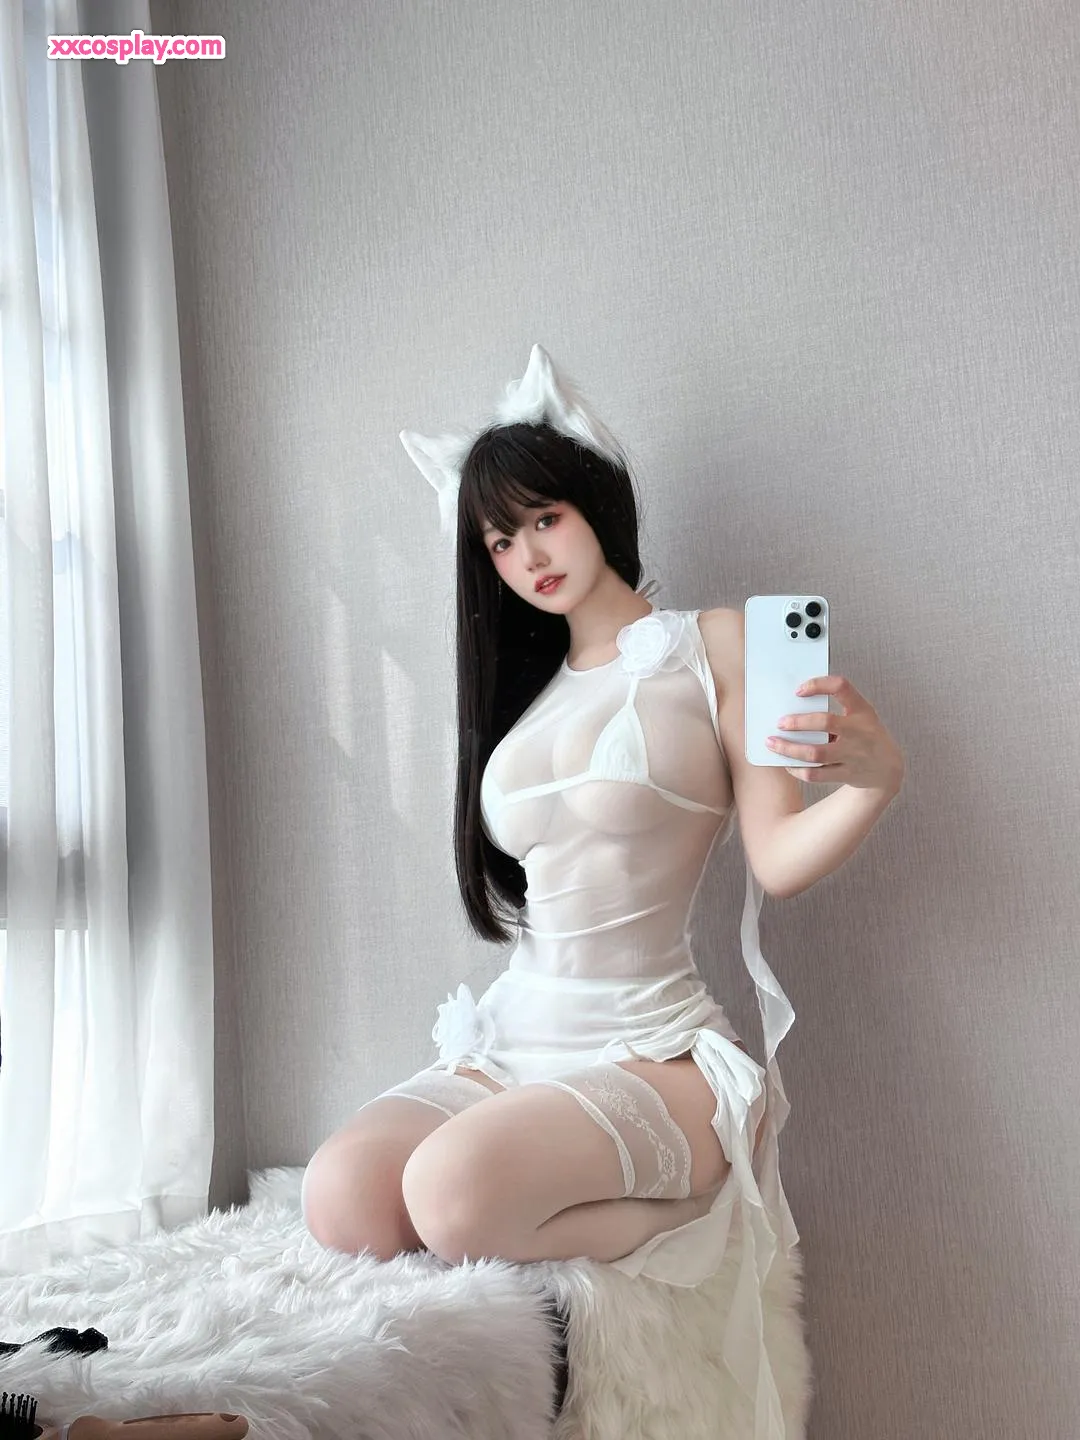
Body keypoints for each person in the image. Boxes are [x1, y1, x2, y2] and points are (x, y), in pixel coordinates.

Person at [301, 345, 905, 1438]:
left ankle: (699, 1211)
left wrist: (875, 779)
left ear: (597, 507)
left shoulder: (718, 643)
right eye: (499, 540)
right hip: (512, 1040)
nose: (527, 554)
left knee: (451, 1197)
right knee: (340, 1196)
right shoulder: (527, 695)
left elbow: (775, 858)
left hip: (651, 1048)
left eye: (545, 519)